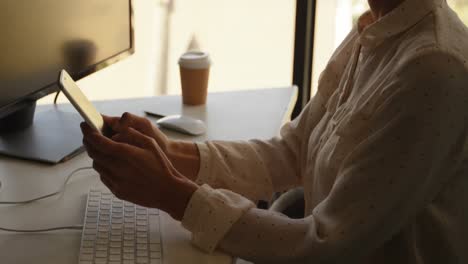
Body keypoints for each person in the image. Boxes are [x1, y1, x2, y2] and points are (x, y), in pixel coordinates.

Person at [81, 0, 468, 262]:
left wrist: (171, 193)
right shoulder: (378, 28)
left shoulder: (433, 69)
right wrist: (171, 153)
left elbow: (324, 246)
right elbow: (291, 152)